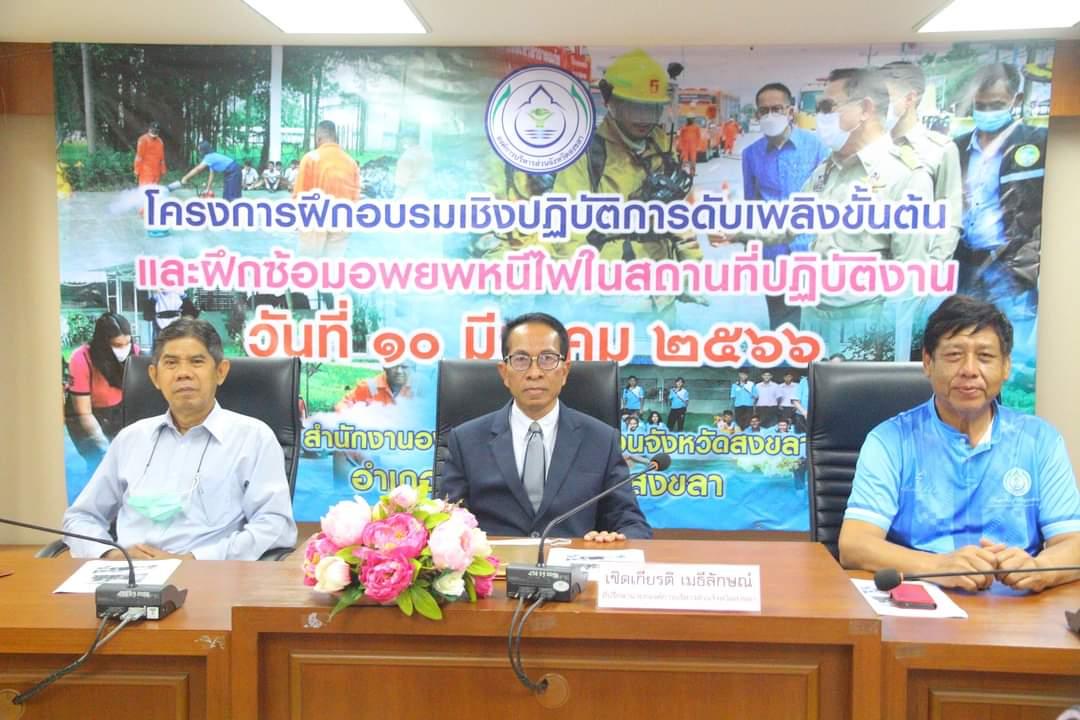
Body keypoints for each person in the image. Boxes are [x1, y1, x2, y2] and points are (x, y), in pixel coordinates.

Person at [839, 295, 1080, 592]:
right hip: (921, 599)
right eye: (954, 355)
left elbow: (1073, 542)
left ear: (1006, 367)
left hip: (1015, 603)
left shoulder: (1040, 441)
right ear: (928, 362)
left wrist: (1040, 569)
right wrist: (938, 566)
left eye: (985, 357)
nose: (969, 370)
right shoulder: (890, 440)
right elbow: (854, 544)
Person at [62, 319, 297, 560]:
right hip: (130, 575)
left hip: (210, 575)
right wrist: (111, 555)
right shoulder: (130, 439)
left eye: (196, 361)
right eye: (171, 363)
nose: (183, 373)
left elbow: (275, 526)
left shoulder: (253, 438)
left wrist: (195, 560)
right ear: (154, 376)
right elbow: (81, 518)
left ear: (220, 371)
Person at [438, 312, 652, 541]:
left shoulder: (601, 440)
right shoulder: (466, 440)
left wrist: (618, 541)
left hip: (573, 562)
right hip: (496, 562)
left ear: (564, 371)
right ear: (504, 372)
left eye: (547, 359)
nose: (535, 373)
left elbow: (631, 523)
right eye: (521, 359)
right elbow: (446, 523)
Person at [798, 67, 938, 361]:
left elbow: (909, 277)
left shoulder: (905, 175)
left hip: (865, 325)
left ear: (865, 109)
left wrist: (885, 350)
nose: (820, 117)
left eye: (828, 107)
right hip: (815, 319)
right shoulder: (827, 169)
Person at [953, 63, 1047, 369]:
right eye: (980, 105)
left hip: (1012, 268)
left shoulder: (1038, 143)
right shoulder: (957, 148)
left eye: (996, 105)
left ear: (1015, 100)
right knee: (962, 349)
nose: (986, 112)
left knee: (1016, 359)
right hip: (966, 265)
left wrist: (1029, 259)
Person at [881, 61, 964, 357]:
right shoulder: (867, 148)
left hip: (915, 279)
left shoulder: (938, 149)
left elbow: (949, 217)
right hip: (866, 277)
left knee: (906, 357)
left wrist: (930, 273)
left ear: (910, 97)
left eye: (884, 95)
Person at [740, 82, 830, 329]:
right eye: (764, 110)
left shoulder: (817, 147)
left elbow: (829, 199)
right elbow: (751, 204)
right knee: (781, 322)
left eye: (777, 109)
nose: (770, 115)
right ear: (757, 115)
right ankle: (784, 354)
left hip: (810, 250)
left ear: (790, 111)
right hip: (773, 253)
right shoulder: (751, 154)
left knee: (815, 321)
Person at [65, 313, 141, 468]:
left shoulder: (134, 352)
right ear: (104, 344)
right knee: (99, 463)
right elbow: (84, 413)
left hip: (117, 411)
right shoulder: (81, 359)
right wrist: (105, 448)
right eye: (117, 345)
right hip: (85, 414)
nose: (124, 349)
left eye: (127, 343)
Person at [293, 120, 362, 256]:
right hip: (342, 219)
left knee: (309, 263)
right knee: (332, 263)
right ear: (335, 137)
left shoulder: (311, 158)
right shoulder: (351, 162)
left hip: (314, 219)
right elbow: (355, 196)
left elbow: (300, 193)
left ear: (318, 138)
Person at [335, 363, 412, 412]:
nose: (399, 371)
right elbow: (343, 405)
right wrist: (348, 410)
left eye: (404, 367)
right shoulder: (370, 386)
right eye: (395, 367)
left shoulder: (414, 389)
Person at [133, 121, 166, 187]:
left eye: (156, 130)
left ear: (158, 131)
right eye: (153, 130)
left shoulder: (160, 141)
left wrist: (163, 170)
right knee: (145, 190)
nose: (155, 131)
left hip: (156, 173)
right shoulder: (143, 139)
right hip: (145, 172)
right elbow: (139, 157)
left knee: (154, 190)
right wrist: (137, 171)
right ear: (149, 129)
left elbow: (162, 158)